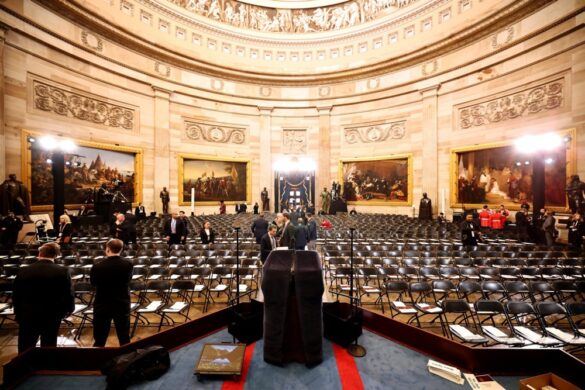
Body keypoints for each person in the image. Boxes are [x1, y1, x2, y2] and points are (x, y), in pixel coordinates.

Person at [13, 242, 74, 353]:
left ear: (39, 253)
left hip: (28, 314)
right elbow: (68, 294)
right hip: (52, 314)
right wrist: (69, 309)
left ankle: (24, 368)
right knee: (49, 345)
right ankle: (46, 368)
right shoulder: (63, 271)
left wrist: (17, 312)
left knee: (25, 346)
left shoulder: (23, 270)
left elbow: (16, 294)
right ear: (55, 256)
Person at [90, 239, 133, 347]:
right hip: (122, 302)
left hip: (102, 303)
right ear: (121, 249)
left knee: (100, 338)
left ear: (107, 249)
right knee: (124, 337)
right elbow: (128, 280)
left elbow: (93, 283)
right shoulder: (128, 264)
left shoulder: (98, 266)